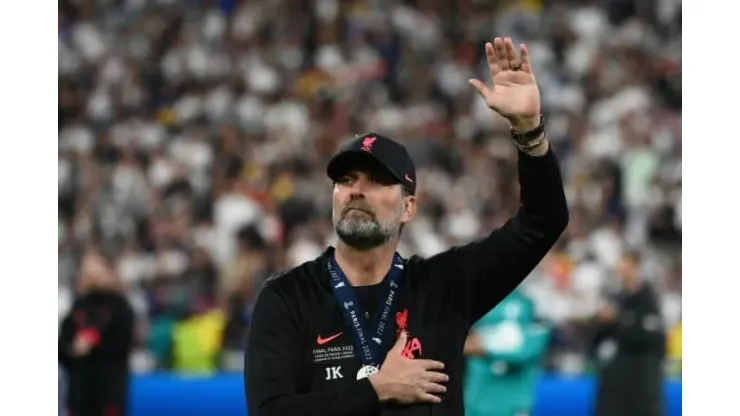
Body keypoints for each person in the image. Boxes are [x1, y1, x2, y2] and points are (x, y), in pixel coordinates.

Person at [245, 37, 569, 416]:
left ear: (408, 208)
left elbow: (543, 221)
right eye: (346, 180)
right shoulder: (288, 297)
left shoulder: (445, 288)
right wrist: (376, 390)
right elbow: (268, 412)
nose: (357, 190)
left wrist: (529, 131)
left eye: (376, 181)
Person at [58, 250, 135, 416]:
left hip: (108, 389)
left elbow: (123, 344)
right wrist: (73, 348)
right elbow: (62, 346)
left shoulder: (120, 306)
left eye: (94, 266)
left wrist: (94, 343)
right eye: (85, 268)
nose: (89, 272)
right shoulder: (77, 306)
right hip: (79, 391)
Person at [592, 250, 666, 416]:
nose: (623, 274)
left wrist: (618, 321)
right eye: (620, 270)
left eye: (627, 269)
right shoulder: (615, 299)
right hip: (614, 386)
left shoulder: (648, 300)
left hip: (642, 386)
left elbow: (651, 338)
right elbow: (597, 340)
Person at [463, 289, 550, 416]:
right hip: (475, 401)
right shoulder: (474, 298)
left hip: (513, 404)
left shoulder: (533, 301)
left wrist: (484, 349)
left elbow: (528, 350)